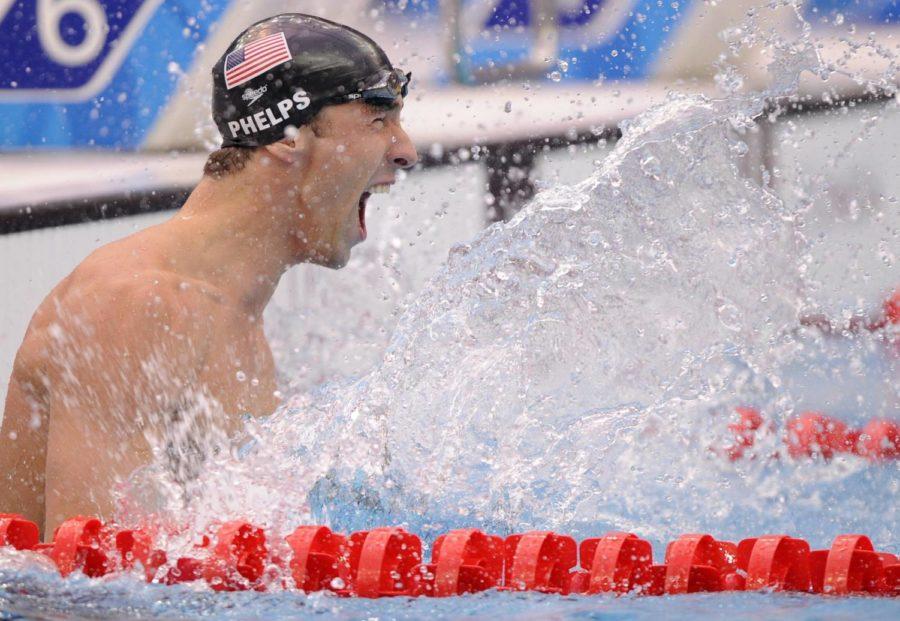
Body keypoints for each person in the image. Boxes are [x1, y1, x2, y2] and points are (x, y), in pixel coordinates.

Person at [0, 13, 417, 535]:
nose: (406, 151)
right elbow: (86, 586)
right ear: (288, 138)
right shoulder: (136, 303)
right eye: (379, 121)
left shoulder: (232, 310)